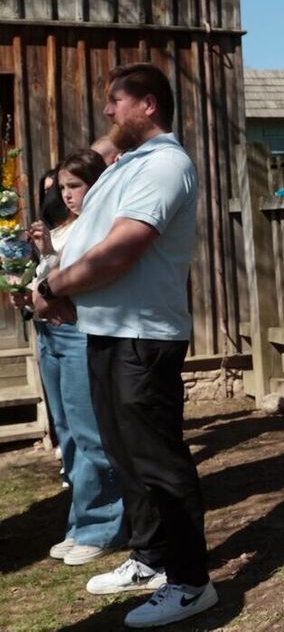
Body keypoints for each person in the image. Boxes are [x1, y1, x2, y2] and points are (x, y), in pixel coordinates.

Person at [33, 62, 216, 628]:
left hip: (143, 337)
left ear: (149, 105)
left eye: (116, 101)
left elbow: (122, 248)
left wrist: (53, 286)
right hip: (108, 330)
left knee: (159, 462)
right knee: (126, 456)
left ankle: (190, 583)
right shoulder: (130, 159)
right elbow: (92, 156)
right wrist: (69, 295)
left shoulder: (164, 165)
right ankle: (150, 559)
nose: (108, 112)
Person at [12, 149, 125, 566]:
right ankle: (81, 522)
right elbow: (49, 275)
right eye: (62, 188)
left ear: (96, 185)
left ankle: (105, 525)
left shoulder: (100, 227)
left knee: (89, 432)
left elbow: (86, 277)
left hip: (78, 333)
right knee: (68, 435)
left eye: (74, 186)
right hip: (49, 335)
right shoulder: (63, 227)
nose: (67, 195)